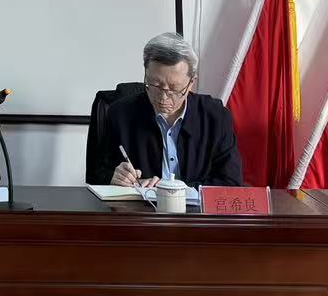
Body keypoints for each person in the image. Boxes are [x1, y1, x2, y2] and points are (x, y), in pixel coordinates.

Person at [104, 33, 243, 188]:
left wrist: (176, 190)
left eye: (174, 88)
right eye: (155, 85)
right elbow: (97, 173)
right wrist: (115, 177)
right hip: (143, 203)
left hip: (195, 204)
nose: (163, 97)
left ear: (191, 83)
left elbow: (230, 182)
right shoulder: (120, 114)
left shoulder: (215, 116)